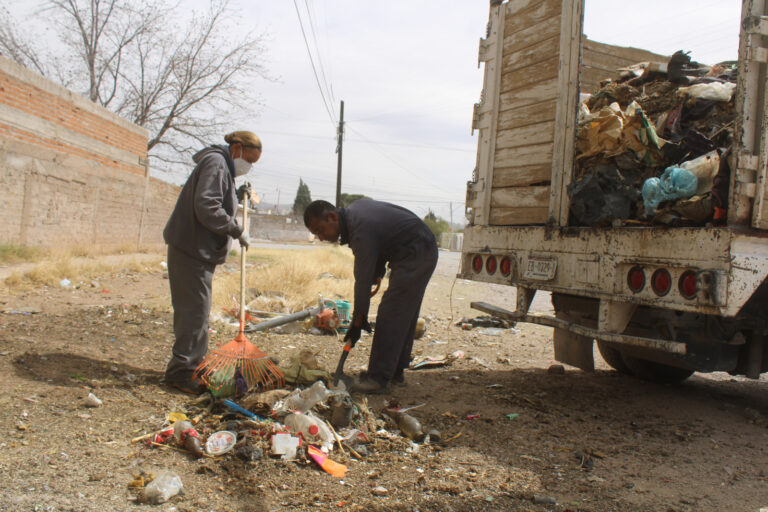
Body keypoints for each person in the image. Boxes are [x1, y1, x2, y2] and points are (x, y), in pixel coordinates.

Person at [303, 198, 438, 393]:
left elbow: (362, 281)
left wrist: (358, 321)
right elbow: (383, 238)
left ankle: (379, 378)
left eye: (320, 230)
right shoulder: (355, 214)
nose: (321, 237)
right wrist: (378, 271)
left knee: (392, 312)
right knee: (403, 312)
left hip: (417, 250)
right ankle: (396, 374)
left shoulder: (359, 230)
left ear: (332, 217)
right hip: (418, 247)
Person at [162, 131, 262, 394]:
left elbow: (217, 198)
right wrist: (236, 228)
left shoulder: (223, 169)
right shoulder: (216, 163)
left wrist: (235, 191)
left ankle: (191, 365)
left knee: (198, 310)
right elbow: (207, 205)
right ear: (236, 148)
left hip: (196, 250)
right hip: (191, 249)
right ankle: (181, 371)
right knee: (194, 312)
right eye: (248, 160)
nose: (248, 167)